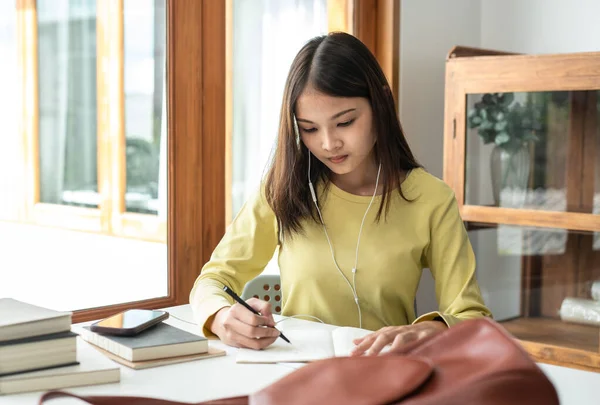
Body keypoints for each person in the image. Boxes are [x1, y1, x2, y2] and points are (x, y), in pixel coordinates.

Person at [190, 32, 491, 356]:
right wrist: (223, 319)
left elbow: (472, 318)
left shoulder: (430, 199)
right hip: (295, 374)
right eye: (309, 128)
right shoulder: (283, 190)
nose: (328, 143)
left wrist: (427, 331)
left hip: (383, 374)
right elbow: (213, 280)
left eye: (345, 122)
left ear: (381, 105)